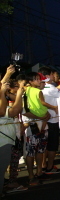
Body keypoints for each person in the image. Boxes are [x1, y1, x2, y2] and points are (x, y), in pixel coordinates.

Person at [38, 67, 60, 174]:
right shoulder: (50, 88)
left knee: (45, 145)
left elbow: (57, 89)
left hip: (45, 119)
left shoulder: (43, 87)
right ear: (48, 76)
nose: (54, 77)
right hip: (52, 121)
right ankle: (50, 167)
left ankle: (44, 165)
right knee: (52, 145)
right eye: (53, 75)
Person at [0, 65, 24, 197]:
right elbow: (7, 111)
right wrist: (19, 94)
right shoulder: (2, 100)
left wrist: (8, 73)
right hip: (2, 141)